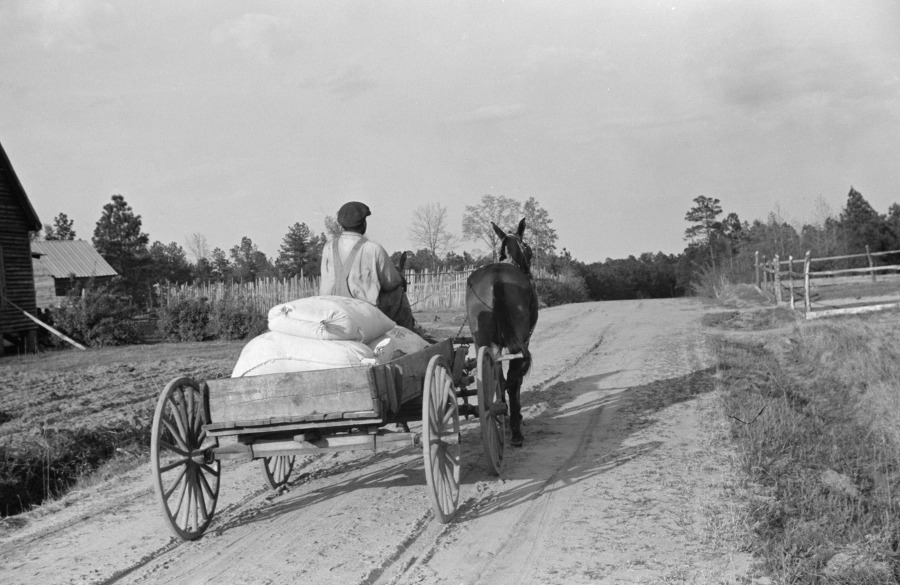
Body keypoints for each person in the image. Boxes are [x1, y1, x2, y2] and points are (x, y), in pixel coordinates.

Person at [320, 201, 417, 330]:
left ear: (342, 225)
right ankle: (408, 334)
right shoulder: (373, 248)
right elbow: (391, 282)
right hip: (363, 313)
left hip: (331, 309)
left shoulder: (328, 247)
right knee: (398, 292)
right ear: (364, 224)